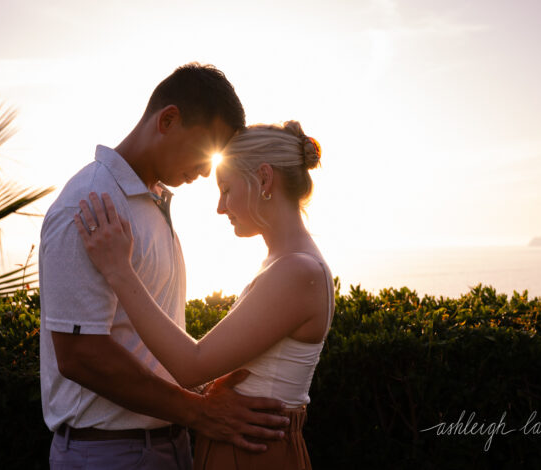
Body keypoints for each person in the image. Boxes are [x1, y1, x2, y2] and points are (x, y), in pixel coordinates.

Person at [39, 63, 290, 470]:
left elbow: (141, 337)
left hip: (169, 444)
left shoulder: (152, 202)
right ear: (168, 120)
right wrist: (199, 412)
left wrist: (202, 395)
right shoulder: (90, 202)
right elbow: (80, 355)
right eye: (205, 149)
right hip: (110, 454)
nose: (208, 170)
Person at [74, 121, 333, 470]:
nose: (220, 207)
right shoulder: (286, 264)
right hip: (244, 446)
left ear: (265, 179)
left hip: (253, 455)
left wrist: (119, 270)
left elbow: (190, 366)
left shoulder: (297, 272)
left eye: (226, 189)